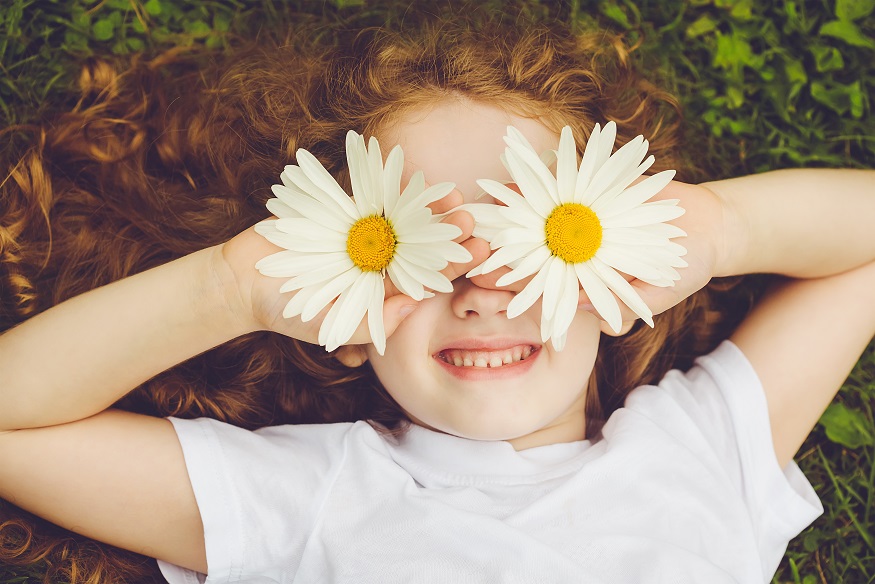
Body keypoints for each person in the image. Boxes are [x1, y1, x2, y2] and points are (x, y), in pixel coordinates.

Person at [1, 5, 873, 583]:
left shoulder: (701, 447)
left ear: (615, 279)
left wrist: (718, 230)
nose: (481, 284)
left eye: (530, 233)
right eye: (417, 249)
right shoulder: (302, 498)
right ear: (337, 315)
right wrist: (229, 288)